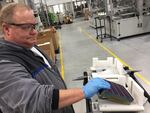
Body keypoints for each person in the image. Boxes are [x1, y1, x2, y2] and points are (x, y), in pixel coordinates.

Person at [0, 3, 110, 113]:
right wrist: (83, 91)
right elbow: (35, 100)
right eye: (26, 27)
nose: (35, 32)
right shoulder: (5, 64)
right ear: (7, 29)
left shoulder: (29, 46)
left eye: (34, 26)